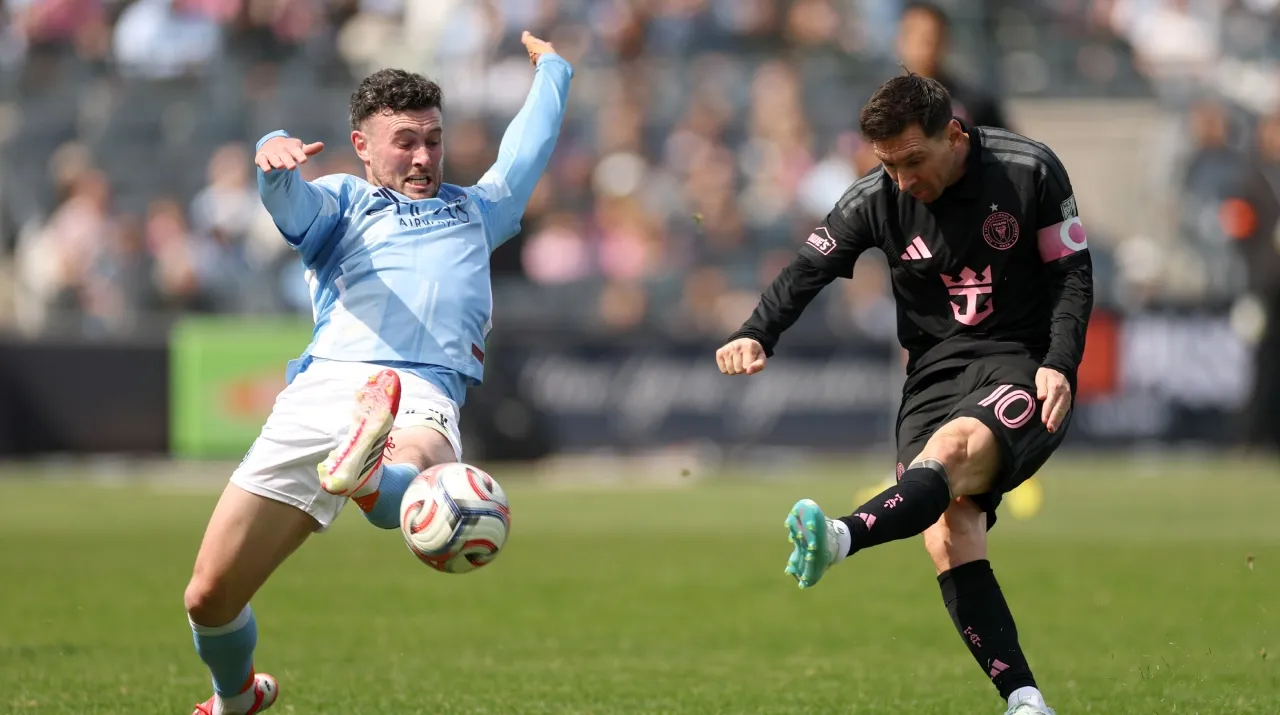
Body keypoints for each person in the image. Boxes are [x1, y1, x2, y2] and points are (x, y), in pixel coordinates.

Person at [182, 32, 573, 715]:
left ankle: (371, 476)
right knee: (208, 595)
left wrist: (555, 72)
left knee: (422, 465)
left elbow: (529, 146)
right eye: (404, 141)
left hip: (417, 390)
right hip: (323, 390)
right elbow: (292, 208)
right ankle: (236, 695)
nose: (423, 156)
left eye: (433, 139)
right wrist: (273, 162)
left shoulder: (478, 210)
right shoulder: (343, 203)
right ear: (362, 145)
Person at [717, 73, 1092, 715]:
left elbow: (1072, 275)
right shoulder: (876, 198)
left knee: (951, 452)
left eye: (913, 161)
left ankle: (838, 537)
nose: (902, 180)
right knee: (950, 533)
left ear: (953, 134)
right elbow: (808, 270)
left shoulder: (1029, 170)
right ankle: (1026, 702)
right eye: (887, 165)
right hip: (933, 373)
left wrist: (1059, 362)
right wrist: (757, 333)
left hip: (1021, 362)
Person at [896, 1, 1011, 131]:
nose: (927, 47)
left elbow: (1004, 146)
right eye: (920, 37)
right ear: (900, 39)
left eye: (934, 38)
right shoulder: (880, 103)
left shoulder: (974, 104)